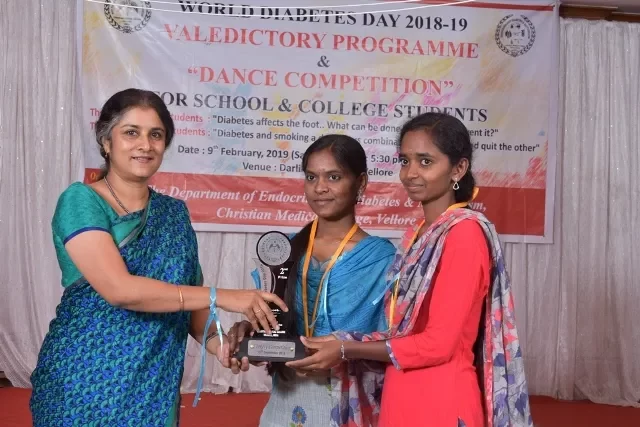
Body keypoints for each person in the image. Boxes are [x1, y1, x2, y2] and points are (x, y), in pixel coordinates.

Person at [29, 88, 287, 426]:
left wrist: (222, 344)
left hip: (154, 384)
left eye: (156, 135)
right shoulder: (81, 201)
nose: (145, 145)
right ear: (106, 141)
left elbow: (193, 308)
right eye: (131, 132)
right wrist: (222, 296)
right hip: (84, 379)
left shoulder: (174, 213)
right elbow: (119, 290)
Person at [286, 113, 533, 427]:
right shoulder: (419, 235)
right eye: (405, 161)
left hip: (441, 400)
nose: (411, 173)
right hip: (400, 394)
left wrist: (346, 348)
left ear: (458, 169)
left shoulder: (465, 235)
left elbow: (439, 345)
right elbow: (401, 333)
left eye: (425, 162)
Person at [226, 134, 396, 427]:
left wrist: (342, 348)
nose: (320, 188)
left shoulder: (380, 258)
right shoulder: (284, 249)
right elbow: (274, 327)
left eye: (334, 177)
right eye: (311, 177)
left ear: (361, 182)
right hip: (286, 402)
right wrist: (250, 335)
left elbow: (395, 341)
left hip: (351, 405)